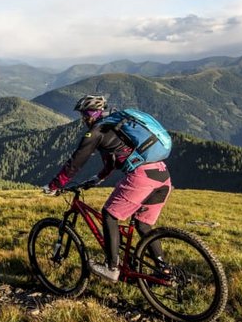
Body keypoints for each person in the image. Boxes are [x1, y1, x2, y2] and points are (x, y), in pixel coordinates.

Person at [42, 95, 172, 281]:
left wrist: (54, 185)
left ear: (90, 115)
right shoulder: (116, 127)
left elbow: (75, 163)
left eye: (84, 115)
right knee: (143, 224)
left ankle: (111, 267)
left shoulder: (96, 131)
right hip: (162, 175)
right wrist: (97, 178)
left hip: (142, 177)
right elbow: (113, 160)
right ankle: (164, 270)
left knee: (109, 215)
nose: (84, 119)